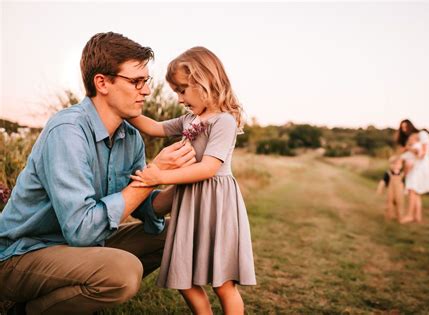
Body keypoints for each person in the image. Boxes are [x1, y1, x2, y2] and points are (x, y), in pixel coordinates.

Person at [0, 32, 196, 315]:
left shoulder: (130, 137)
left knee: (180, 234)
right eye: (136, 82)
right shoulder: (68, 132)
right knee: (123, 273)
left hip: (80, 247)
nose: (146, 91)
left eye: (146, 81)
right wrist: (156, 171)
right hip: (21, 254)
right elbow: (81, 230)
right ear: (102, 83)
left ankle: (65, 298)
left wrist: (180, 184)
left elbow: (140, 204)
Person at [128, 46, 256, 315]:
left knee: (223, 284)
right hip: (190, 204)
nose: (179, 98)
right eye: (176, 91)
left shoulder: (224, 121)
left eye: (182, 90)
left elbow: (209, 168)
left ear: (205, 81)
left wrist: (161, 176)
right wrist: (126, 110)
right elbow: (157, 128)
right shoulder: (190, 119)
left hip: (217, 205)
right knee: (183, 275)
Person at [396, 119, 429, 224]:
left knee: (412, 189)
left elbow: (422, 154)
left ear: (411, 126)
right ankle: (417, 216)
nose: (404, 129)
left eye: (406, 126)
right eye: (402, 128)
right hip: (413, 165)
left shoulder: (422, 134)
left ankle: (410, 216)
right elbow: (403, 152)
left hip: (420, 165)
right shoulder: (410, 139)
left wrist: (410, 149)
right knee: (415, 191)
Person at [376, 155, 405, 222]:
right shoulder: (388, 173)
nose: (396, 166)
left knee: (400, 204)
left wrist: (405, 190)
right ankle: (388, 216)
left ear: (401, 165)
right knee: (389, 204)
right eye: (393, 164)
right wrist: (380, 188)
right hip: (390, 192)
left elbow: (403, 183)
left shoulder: (402, 174)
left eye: (398, 164)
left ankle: (400, 217)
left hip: (399, 193)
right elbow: (383, 181)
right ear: (390, 165)